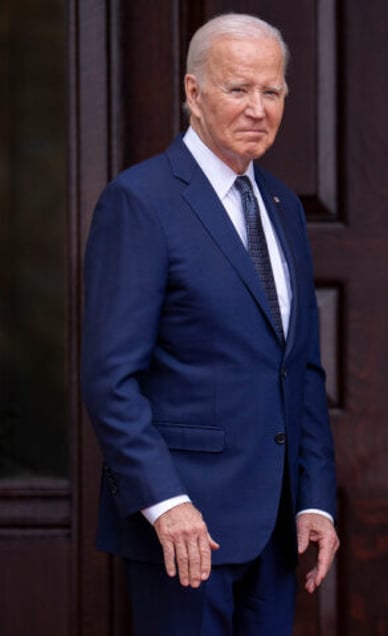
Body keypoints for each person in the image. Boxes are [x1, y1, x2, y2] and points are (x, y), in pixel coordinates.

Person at [81, 13, 338, 635]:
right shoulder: (140, 201)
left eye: (271, 92)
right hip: (184, 534)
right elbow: (111, 378)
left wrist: (315, 498)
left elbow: (298, 366)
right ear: (194, 93)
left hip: (275, 531)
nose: (258, 108)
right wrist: (165, 504)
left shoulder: (282, 206)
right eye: (238, 89)